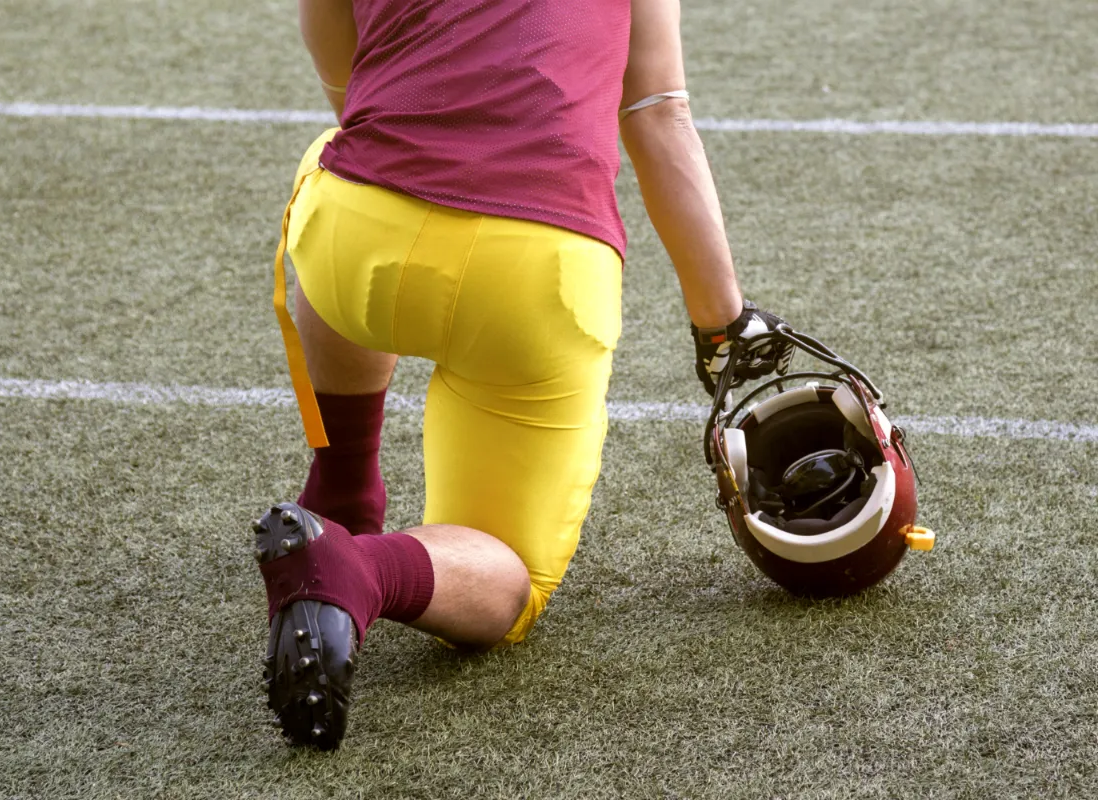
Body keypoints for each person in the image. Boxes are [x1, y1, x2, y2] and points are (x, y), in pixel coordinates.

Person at [254, 0, 793, 750]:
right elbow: (658, 115)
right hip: (536, 274)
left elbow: (333, 44)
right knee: (508, 585)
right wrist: (723, 322)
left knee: (337, 151)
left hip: (358, 243)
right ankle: (359, 570)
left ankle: (343, 478)